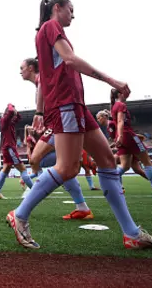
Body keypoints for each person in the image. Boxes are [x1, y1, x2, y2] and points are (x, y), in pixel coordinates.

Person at [7, 0, 152, 250]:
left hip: (75, 105)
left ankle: (132, 234)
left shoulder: (46, 33)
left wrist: (40, 111)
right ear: (57, 8)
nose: (74, 15)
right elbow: (70, 60)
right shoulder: (51, 27)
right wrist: (111, 81)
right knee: (67, 168)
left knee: (106, 161)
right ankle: (19, 215)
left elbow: (46, 76)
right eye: (71, 10)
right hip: (66, 105)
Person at [19, 58, 93, 220]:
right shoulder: (40, 82)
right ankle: (82, 207)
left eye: (22, 68)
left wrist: (39, 115)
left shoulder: (41, 78)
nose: (20, 71)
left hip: (60, 123)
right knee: (61, 165)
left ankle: (21, 212)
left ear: (31, 68)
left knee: (36, 159)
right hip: (56, 123)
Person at [110, 90, 152, 198]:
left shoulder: (114, 106)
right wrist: (121, 136)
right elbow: (121, 121)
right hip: (127, 135)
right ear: (119, 94)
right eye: (126, 92)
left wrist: (119, 137)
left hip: (121, 136)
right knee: (147, 163)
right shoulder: (121, 105)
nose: (127, 94)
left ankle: (110, 183)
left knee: (125, 166)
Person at [96, 110, 152, 192]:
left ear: (104, 117)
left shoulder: (112, 124)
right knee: (137, 169)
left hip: (127, 145)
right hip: (126, 145)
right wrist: (113, 145)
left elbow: (122, 133)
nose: (98, 120)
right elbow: (118, 137)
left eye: (99, 118)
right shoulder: (109, 126)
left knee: (116, 163)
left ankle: (118, 186)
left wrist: (133, 136)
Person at [0, 103, 33, 199]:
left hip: (7, 147)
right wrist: (10, 106)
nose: (14, 114)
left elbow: (18, 117)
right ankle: (35, 190)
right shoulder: (5, 120)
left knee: (6, 169)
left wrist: (15, 111)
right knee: (22, 169)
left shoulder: (8, 121)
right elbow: (11, 111)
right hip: (10, 148)